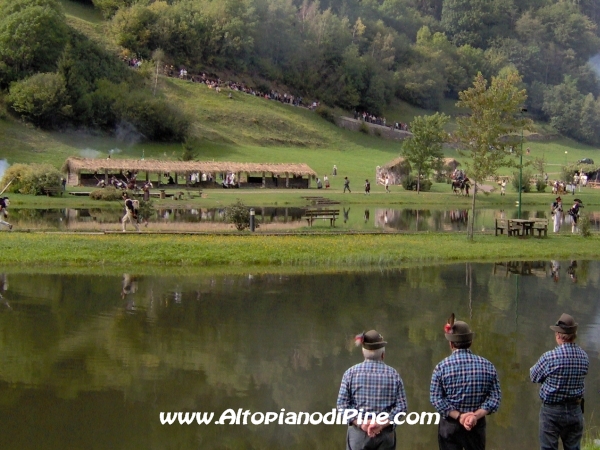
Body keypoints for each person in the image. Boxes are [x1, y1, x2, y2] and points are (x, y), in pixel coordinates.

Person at [430, 315, 501, 450]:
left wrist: (460, 417)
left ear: (451, 343)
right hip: (476, 427)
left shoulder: (441, 367)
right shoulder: (488, 366)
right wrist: (475, 415)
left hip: (450, 427)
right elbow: (495, 398)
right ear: (470, 342)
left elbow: (436, 399)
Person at [337, 330, 407, 450]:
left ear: (363, 352)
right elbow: (402, 407)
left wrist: (361, 423)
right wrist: (382, 423)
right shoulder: (393, 375)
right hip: (385, 435)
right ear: (383, 354)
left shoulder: (350, 374)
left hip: (358, 436)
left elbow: (342, 405)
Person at [530, 313, 589, 450]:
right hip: (575, 409)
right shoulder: (584, 357)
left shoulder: (550, 357)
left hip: (551, 411)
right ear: (574, 335)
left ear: (558, 335)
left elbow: (533, 376)